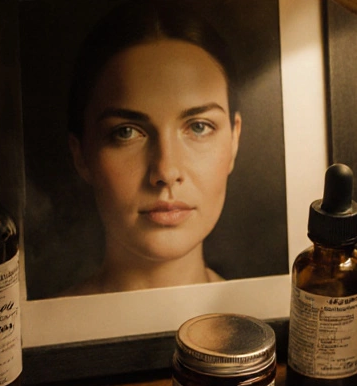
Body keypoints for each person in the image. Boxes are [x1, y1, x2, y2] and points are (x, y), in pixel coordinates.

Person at [60, 0, 242, 295]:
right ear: (80, 154)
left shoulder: (266, 318)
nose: (166, 172)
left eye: (198, 127)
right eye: (127, 132)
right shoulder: (35, 335)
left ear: (234, 140)